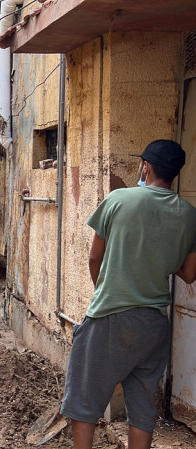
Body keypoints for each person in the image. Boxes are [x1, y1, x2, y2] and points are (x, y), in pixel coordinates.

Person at [60, 139, 196, 449]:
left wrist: (105, 292)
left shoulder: (118, 199)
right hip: (154, 326)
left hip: (111, 316)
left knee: (84, 401)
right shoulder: (189, 215)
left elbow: (95, 258)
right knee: (142, 410)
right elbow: (188, 273)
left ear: (145, 166)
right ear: (175, 173)